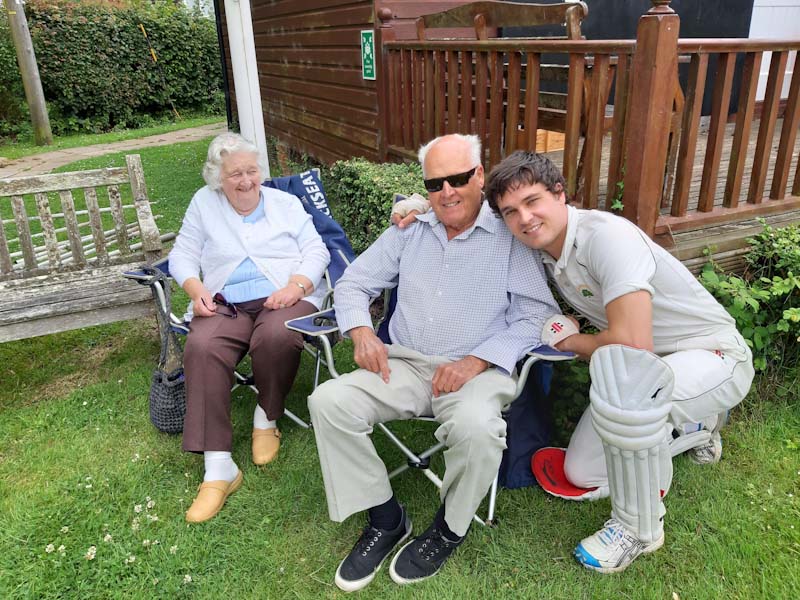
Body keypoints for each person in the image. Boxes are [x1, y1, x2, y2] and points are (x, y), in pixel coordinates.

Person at [393, 150, 754, 573]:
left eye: (533, 202)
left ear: (561, 194)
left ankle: (638, 529)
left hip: (711, 354)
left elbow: (633, 344)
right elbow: (467, 219)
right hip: (646, 369)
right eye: (511, 211)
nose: (524, 218)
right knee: (581, 472)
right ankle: (695, 427)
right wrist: (417, 208)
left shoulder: (607, 238)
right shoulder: (537, 243)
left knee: (632, 403)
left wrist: (571, 342)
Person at [308, 134, 558, 591]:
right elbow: (352, 284)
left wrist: (476, 361)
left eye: (459, 178)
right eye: (435, 183)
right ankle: (386, 518)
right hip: (404, 364)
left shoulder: (510, 236)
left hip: (475, 374)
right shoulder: (410, 229)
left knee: (478, 429)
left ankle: (449, 528)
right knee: (328, 401)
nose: (448, 192)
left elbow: (535, 317)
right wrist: (361, 331)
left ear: (480, 176)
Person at [169, 133, 330, 523]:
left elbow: (317, 250)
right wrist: (196, 289)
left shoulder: (285, 203)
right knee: (202, 346)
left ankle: (266, 417)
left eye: (251, 171)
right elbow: (183, 255)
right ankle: (218, 466)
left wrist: (297, 286)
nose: (245, 181)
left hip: (285, 295)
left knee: (276, 335)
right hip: (227, 301)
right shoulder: (204, 204)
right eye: (234, 174)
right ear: (216, 178)